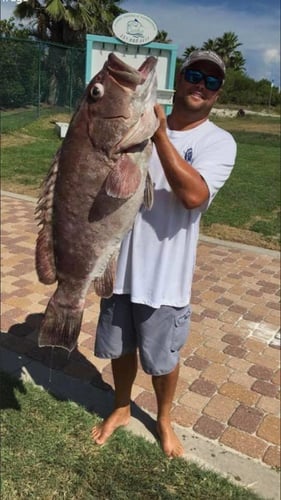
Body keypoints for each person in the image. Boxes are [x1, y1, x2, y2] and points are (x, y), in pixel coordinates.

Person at [91, 50, 237, 458]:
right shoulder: (135, 123)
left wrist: (158, 135)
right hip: (119, 265)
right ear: (182, 78)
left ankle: (164, 419)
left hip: (166, 276)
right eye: (194, 75)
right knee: (120, 348)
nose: (200, 85)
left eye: (210, 82)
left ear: (217, 94)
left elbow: (193, 196)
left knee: (161, 359)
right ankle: (121, 407)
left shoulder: (219, 142)